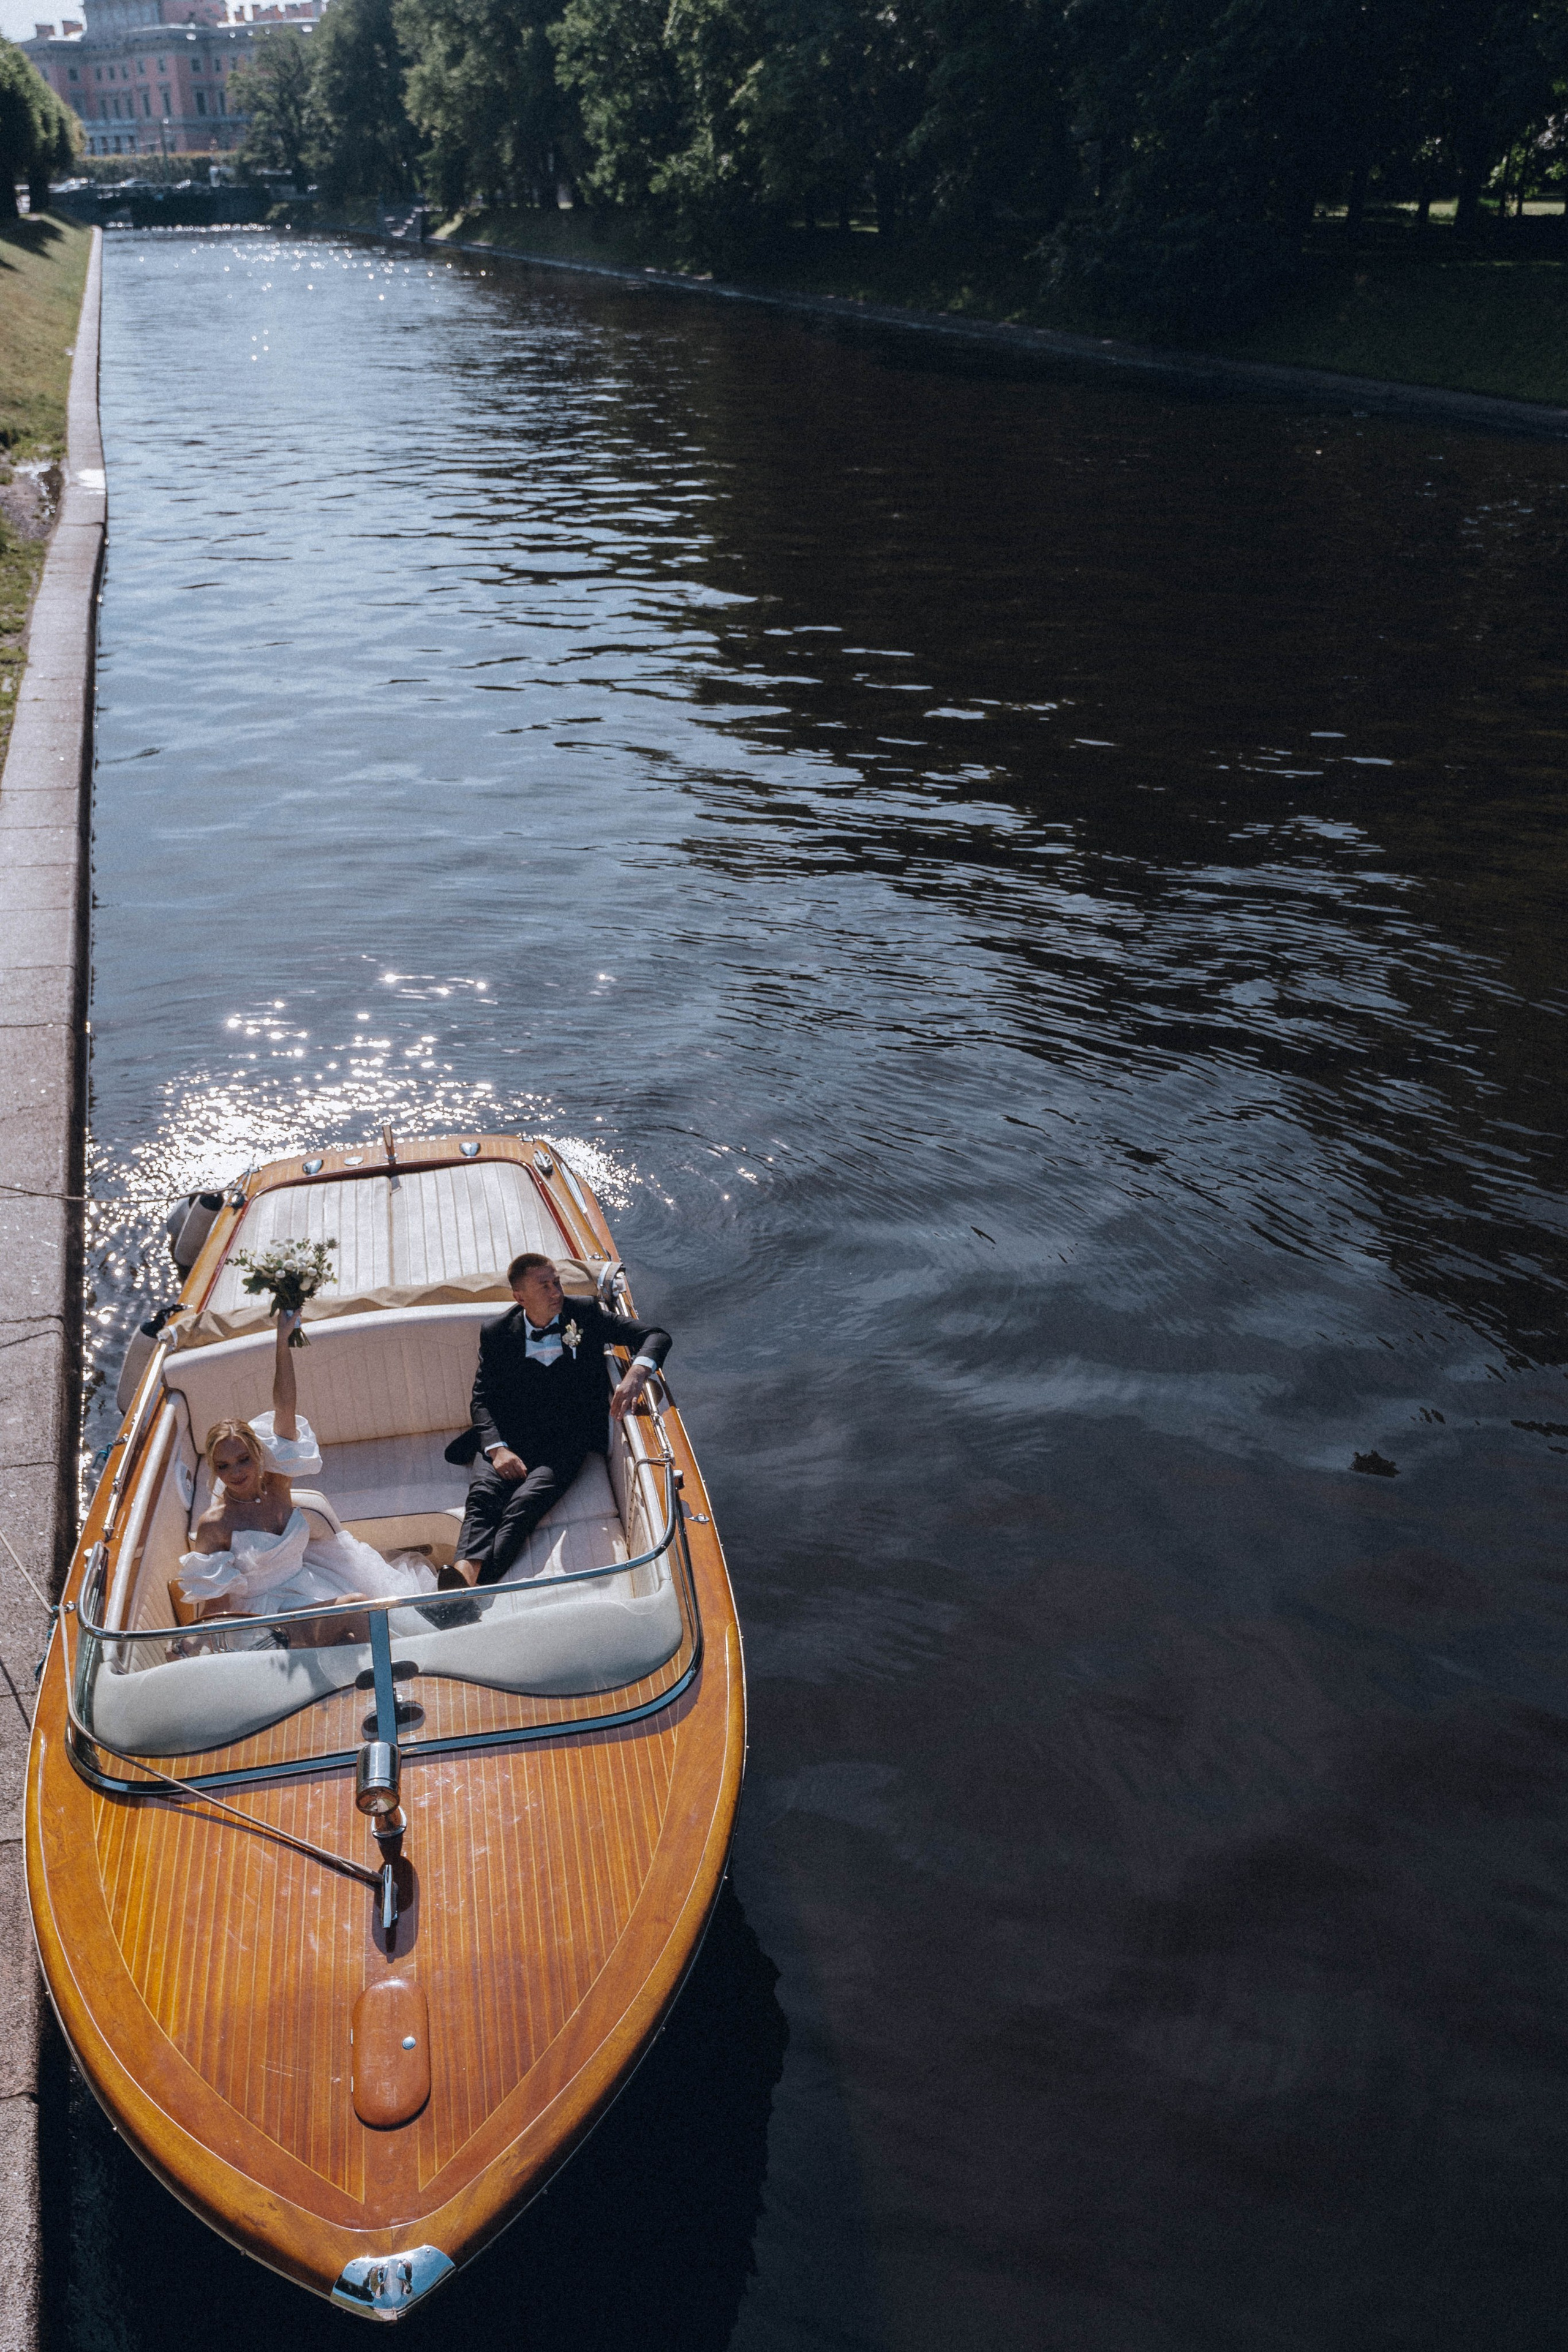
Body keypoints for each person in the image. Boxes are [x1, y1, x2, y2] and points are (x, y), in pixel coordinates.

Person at [177, 1308, 436, 1642]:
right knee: (359, 1609)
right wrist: (189, 1643)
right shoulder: (214, 1524)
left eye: (243, 1459)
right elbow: (216, 1603)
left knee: (362, 1628)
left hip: (308, 1588)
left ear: (258, 1455)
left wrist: (282, 1343)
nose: (236, 1472)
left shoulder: (278, 1484)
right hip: (263, 1618)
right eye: (223, 1466)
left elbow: (286, 1408)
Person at [445, 1251, 672, 1589]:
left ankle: (469, 1586)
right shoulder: (497, 1332)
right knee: (483, 1497)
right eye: (545, 1286)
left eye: (557, 1282)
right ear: (519, 1297)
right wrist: (497, 1449)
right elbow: (483, 1399)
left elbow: (657, 1335)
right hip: (510, 1435)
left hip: (567, 1439)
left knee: (525, 1504)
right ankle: (462, 1574)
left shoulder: (583, 1314)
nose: (556, 1292)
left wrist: (637, 1373)